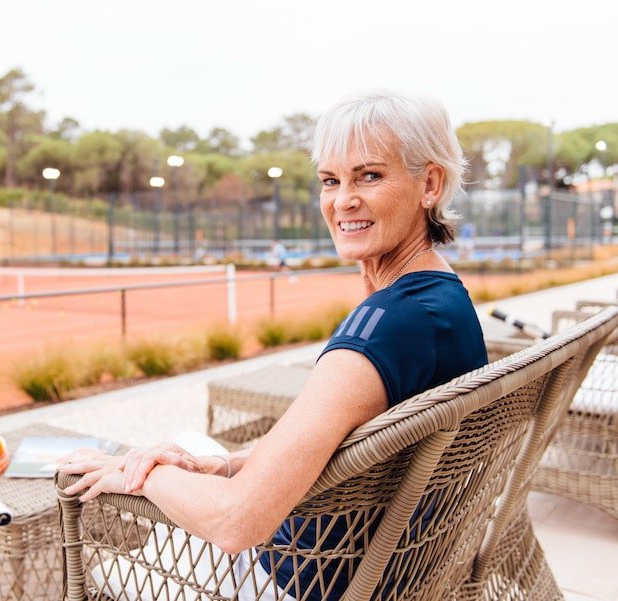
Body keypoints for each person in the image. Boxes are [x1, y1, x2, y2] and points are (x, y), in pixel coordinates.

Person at [59, 91, 488, 600]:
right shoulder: (442, 299)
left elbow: (235, 521)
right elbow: (341, 455)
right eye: (331, 181)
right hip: (382, 564)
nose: (343, 200)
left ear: (429, 184)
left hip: (304, 579)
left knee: (112, 552)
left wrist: (139, 472)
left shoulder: (386, 329)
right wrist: (218, 466)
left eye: (369, 176)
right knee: (191, 447)